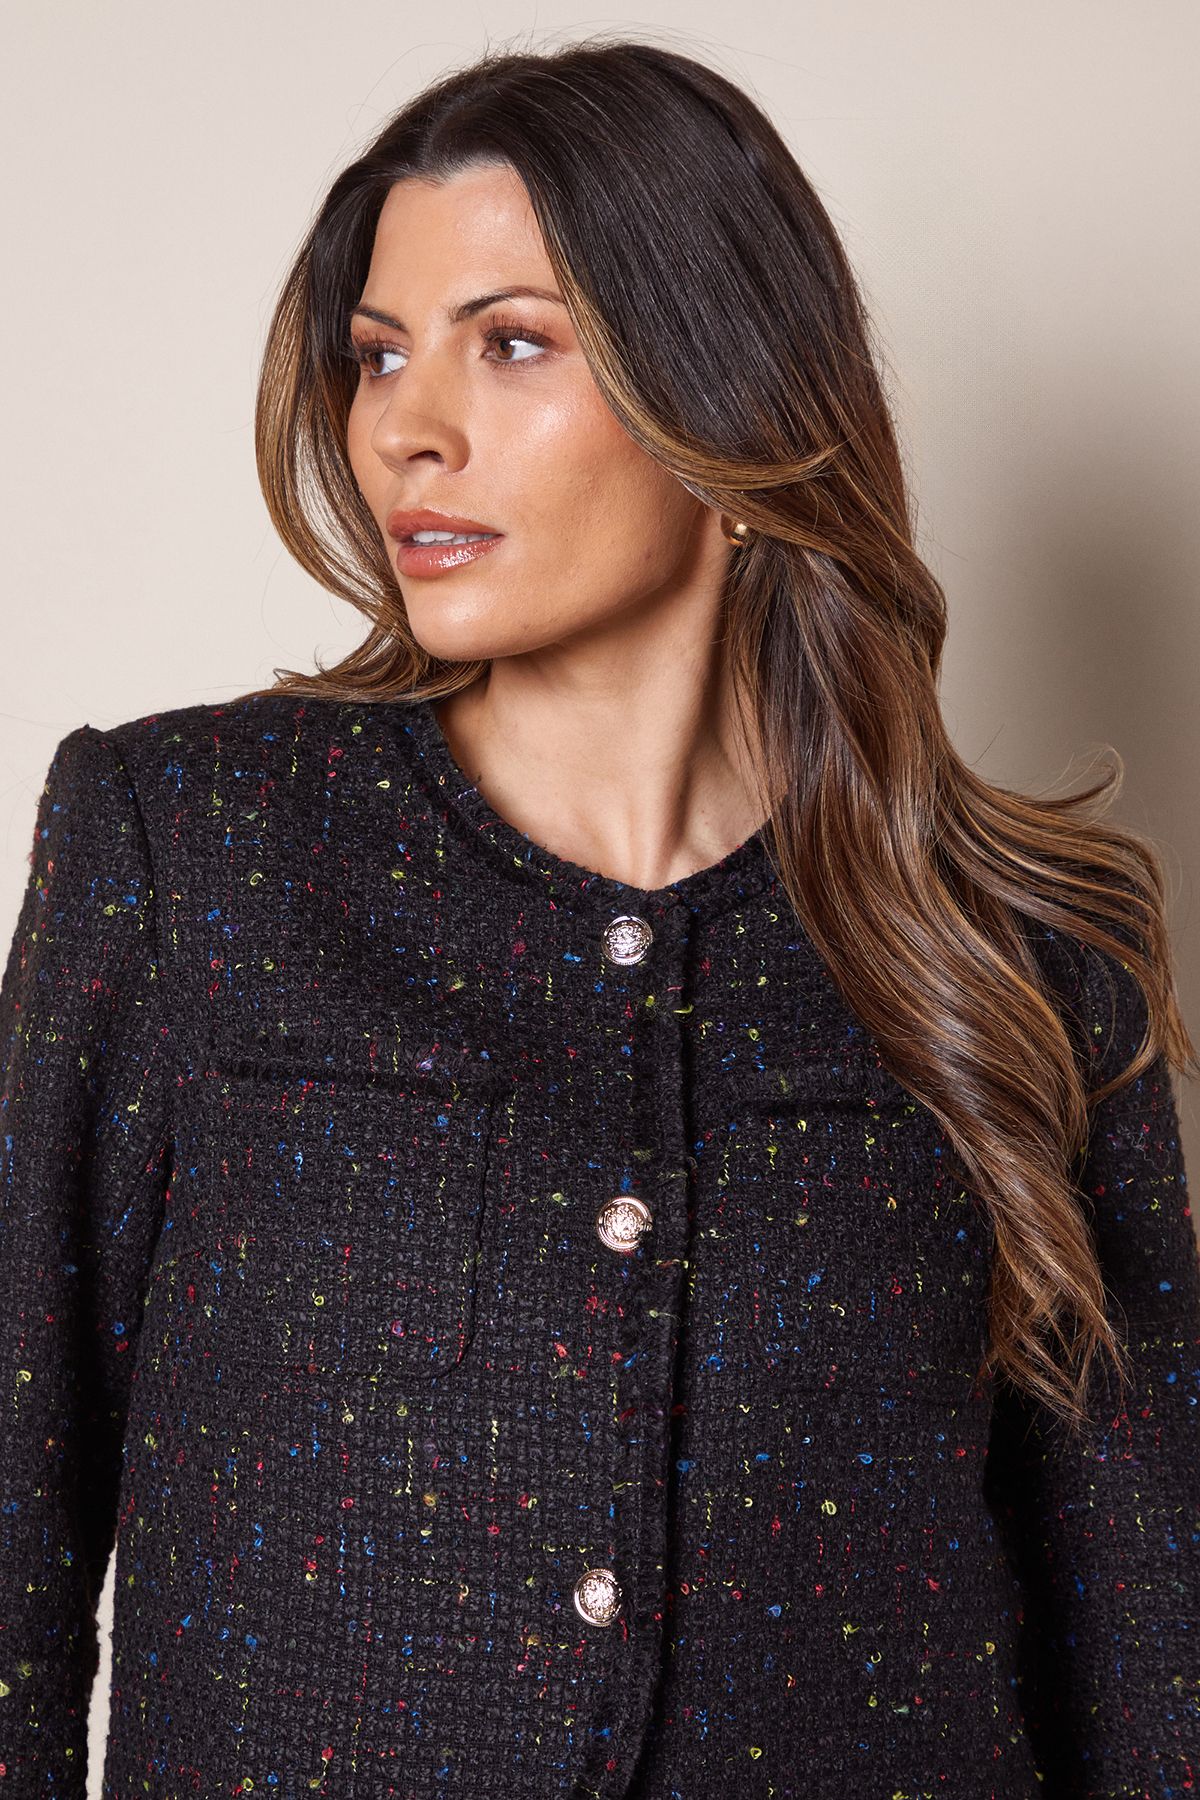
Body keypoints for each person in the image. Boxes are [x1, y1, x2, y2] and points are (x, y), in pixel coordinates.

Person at [2, 35, 1197, 1800]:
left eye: (510, 343)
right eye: (379, 354)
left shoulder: (1020, 954)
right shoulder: (195, 848)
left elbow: (1151, 1658)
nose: (406, 426)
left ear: (725, 398)